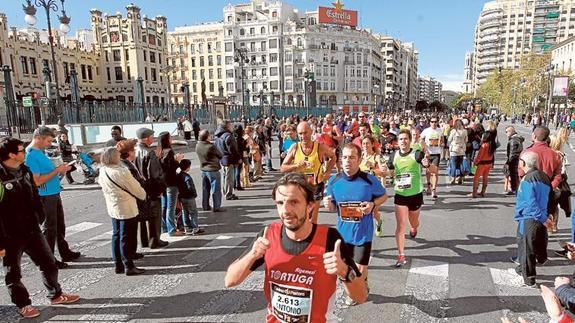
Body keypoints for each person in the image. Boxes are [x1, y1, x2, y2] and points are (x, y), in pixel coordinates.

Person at [224, 173, 367, 322]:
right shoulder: (268, 234)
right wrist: (252, 255)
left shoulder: (329, 239)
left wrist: (344, 271)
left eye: (294, 202)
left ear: (310, 205)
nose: (285, 210)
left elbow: (361, 296)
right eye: (280, 203)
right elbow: (230, 281)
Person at [0, 137, 80, 318]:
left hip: (32, 228)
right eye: (21, 151)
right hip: (10, 235)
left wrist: (39, 215)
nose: (24, 153)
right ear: (11, 154)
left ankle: (56, 295)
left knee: (49, 263)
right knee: (13, 273)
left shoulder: (24, 170)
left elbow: (35, 194)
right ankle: (23, 304)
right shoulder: (1, 176)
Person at [324, 144, 388, 305]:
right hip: (343, 235)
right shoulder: (334, 181)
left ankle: (358, 289)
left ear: (359, 160)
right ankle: (360, 283)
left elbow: (384, 196)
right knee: (346, 268)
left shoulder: (368, 179)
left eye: (352, 157)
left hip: (363, 234)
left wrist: (372, 205)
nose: (347, 161)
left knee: (359, 269)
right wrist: (328, 204)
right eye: (344, 157)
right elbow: (332, 207)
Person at [25, 126, 81, 269]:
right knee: (49, 229)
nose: (50, 144)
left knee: (59, 226)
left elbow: (49, 174)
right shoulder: (31, 155)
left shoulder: (41, 152)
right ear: (38, 138)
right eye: (48, 141)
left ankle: (64, 251)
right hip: (45, 195)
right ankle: (49, 258)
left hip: (53, 192)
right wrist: (57, 170)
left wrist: (61, 172)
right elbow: (37, 181)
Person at [381, 129, 429, 267]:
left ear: (409, 140)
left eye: (406, 139)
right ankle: (401, 255)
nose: (403, 141)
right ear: (398, 142)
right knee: (401, 226)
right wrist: (385, 172)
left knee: (413, 222)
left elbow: (427, 165)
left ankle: (414, 228)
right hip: (401, 195)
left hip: (415, 195)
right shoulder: (394, 156)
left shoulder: (417, 154)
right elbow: (389, 172)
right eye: (401, 139)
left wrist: (426, 164)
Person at [98, 147, 147, 276]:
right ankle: (128, 265)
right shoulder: (121, 171)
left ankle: (118, 263)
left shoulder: (103, 170)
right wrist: (143, 194)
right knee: (126, 236)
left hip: (113, 205)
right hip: (126, 207)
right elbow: (135, 188)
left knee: (117, 235)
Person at [281, 121, 336, 224]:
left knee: (312, 220)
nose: (303, 136)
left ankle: (312, 238)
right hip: (299, 187)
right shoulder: (295, 148)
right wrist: (297, 165)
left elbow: (333, 156)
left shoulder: (319, 147)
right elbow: (283, 168)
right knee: (301, 217)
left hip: (316, 186)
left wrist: (327, 172)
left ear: (311, 132)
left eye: (305, 133)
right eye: (300, 134)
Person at [513, 151, 552, 287]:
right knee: (533, 245)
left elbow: (530, 202)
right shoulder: (545, 177)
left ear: (523, 163)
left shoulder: (527, 179)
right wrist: (547, 216)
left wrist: (542, 218)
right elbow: (551, 198)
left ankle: (529, 279)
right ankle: (522, 269)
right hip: (541, 217)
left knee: (525, 248)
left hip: (529, 218)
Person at [134, 127, 169, 249]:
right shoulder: (149, 152)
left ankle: (144, 240)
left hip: (139, 188)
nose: (153, 139)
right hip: (151, 188)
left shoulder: (135, 150)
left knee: (142, 215)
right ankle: (154, 240)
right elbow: (155, 175)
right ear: (147, 138)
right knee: (154, 215)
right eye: (151, 137)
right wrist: (160, 188)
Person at [116, 139, 145, 259]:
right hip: (130, 202)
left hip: (127, 202)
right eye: (133, 150)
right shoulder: (126, 166)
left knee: (130, 230)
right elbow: (134, 185)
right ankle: (129, 254)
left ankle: (131, 252)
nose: (135, 152)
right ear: (129, 152)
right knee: (128, 230)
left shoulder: (126, 163)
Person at [157, 132, 185, 236]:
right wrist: (177, 160)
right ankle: (171, 229)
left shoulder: (159, 151)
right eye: (170, 138)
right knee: (171, 207)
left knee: (164, 206)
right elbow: (172, 169)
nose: (171, 139)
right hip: (171, 182)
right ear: (167, 140)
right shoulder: (169, 152)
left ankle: (164, 227)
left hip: (163, 182)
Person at [359, 135, 387, 236]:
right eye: (363, 143)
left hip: (374, 189)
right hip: (361, 188)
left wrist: (372, 170)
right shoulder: (360, 156)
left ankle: (378, 222)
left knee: (373, 211)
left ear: (372, 144)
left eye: (367, 143)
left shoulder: (377, 157)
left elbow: (385, 173)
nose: (365, 145)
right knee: (361, 211)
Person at [196, 129, 224, 212]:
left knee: (205, 189)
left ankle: (205, 205)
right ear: (206, 137)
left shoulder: (198, 145)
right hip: (213, 169)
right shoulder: (211, 146)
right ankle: (216, 206)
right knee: (215, 189)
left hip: (204, 169)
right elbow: (220, 155)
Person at [468, 121, 497, 198]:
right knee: (485, 177)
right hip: (489, 163)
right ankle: (483, 192)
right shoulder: (493, 144)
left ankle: (474, 193)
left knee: (476, 177)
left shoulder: (484, 145)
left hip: (482, 163)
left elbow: (480, 155)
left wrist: (475, 162)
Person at [214, 120, 241, 201]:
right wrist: (238, 159)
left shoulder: (218, 136)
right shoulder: (228, 136)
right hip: (229, 159)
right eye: (231, 125)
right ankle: (229, 193)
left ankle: (225, 192)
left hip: (222, 158)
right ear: (227, 126)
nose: (232, 127)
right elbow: (233, 149)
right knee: (229, 177)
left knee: (225, 177)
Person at [177, 159, 204, 235]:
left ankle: (187, 227)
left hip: (182, 197)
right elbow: (190, 187)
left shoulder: (179, 175)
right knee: (193, 212)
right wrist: (193, 194)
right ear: (188, 167)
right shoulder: (187, 177)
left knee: (185, 212)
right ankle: (195, 228)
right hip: (189, 197)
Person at [420, 116, 443, 199]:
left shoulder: (440, 130)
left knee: (435, 172)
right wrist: (425, 147)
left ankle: (434, 190)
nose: (434, 123)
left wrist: (441, 143)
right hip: (428, 153)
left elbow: (442, 140)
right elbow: (421, 140)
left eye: (435, 121)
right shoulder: (426, 131)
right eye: (432, 121)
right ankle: (428, 185)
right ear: (430, 123)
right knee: (428, 172)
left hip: (436, 153)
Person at [505, 126, 524, 195]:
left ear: (511, 131)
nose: (506, 133)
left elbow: (512, 153)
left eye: (507, 132)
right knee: (515, 175)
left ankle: (514, 189)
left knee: (514, 175)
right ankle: (515, 189)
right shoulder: (517, 139)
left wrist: (508, 162)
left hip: (514, 161)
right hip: (517, 159)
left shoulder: (513, 140)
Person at [447, 119, 468, 185]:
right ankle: (460, 177)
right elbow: (466, 140)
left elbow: (449, 139)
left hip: (454, 150)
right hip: (461, 149)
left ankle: (453, 178)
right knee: (460, 164)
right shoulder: (464, 131)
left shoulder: (453, 131)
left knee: (453, 164)